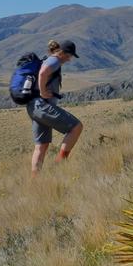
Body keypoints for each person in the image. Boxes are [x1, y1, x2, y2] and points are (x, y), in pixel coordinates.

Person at [27, 39, 84, 176]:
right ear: (63, 53)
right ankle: (60, 164)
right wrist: (42, 91)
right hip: (42, 106)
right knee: (76, 127)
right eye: (69, 56)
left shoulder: (47, 59)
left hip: (33, 107)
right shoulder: (54, 61)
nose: (69, 60)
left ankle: (35, 181)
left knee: (41, 145)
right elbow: (42, 73)